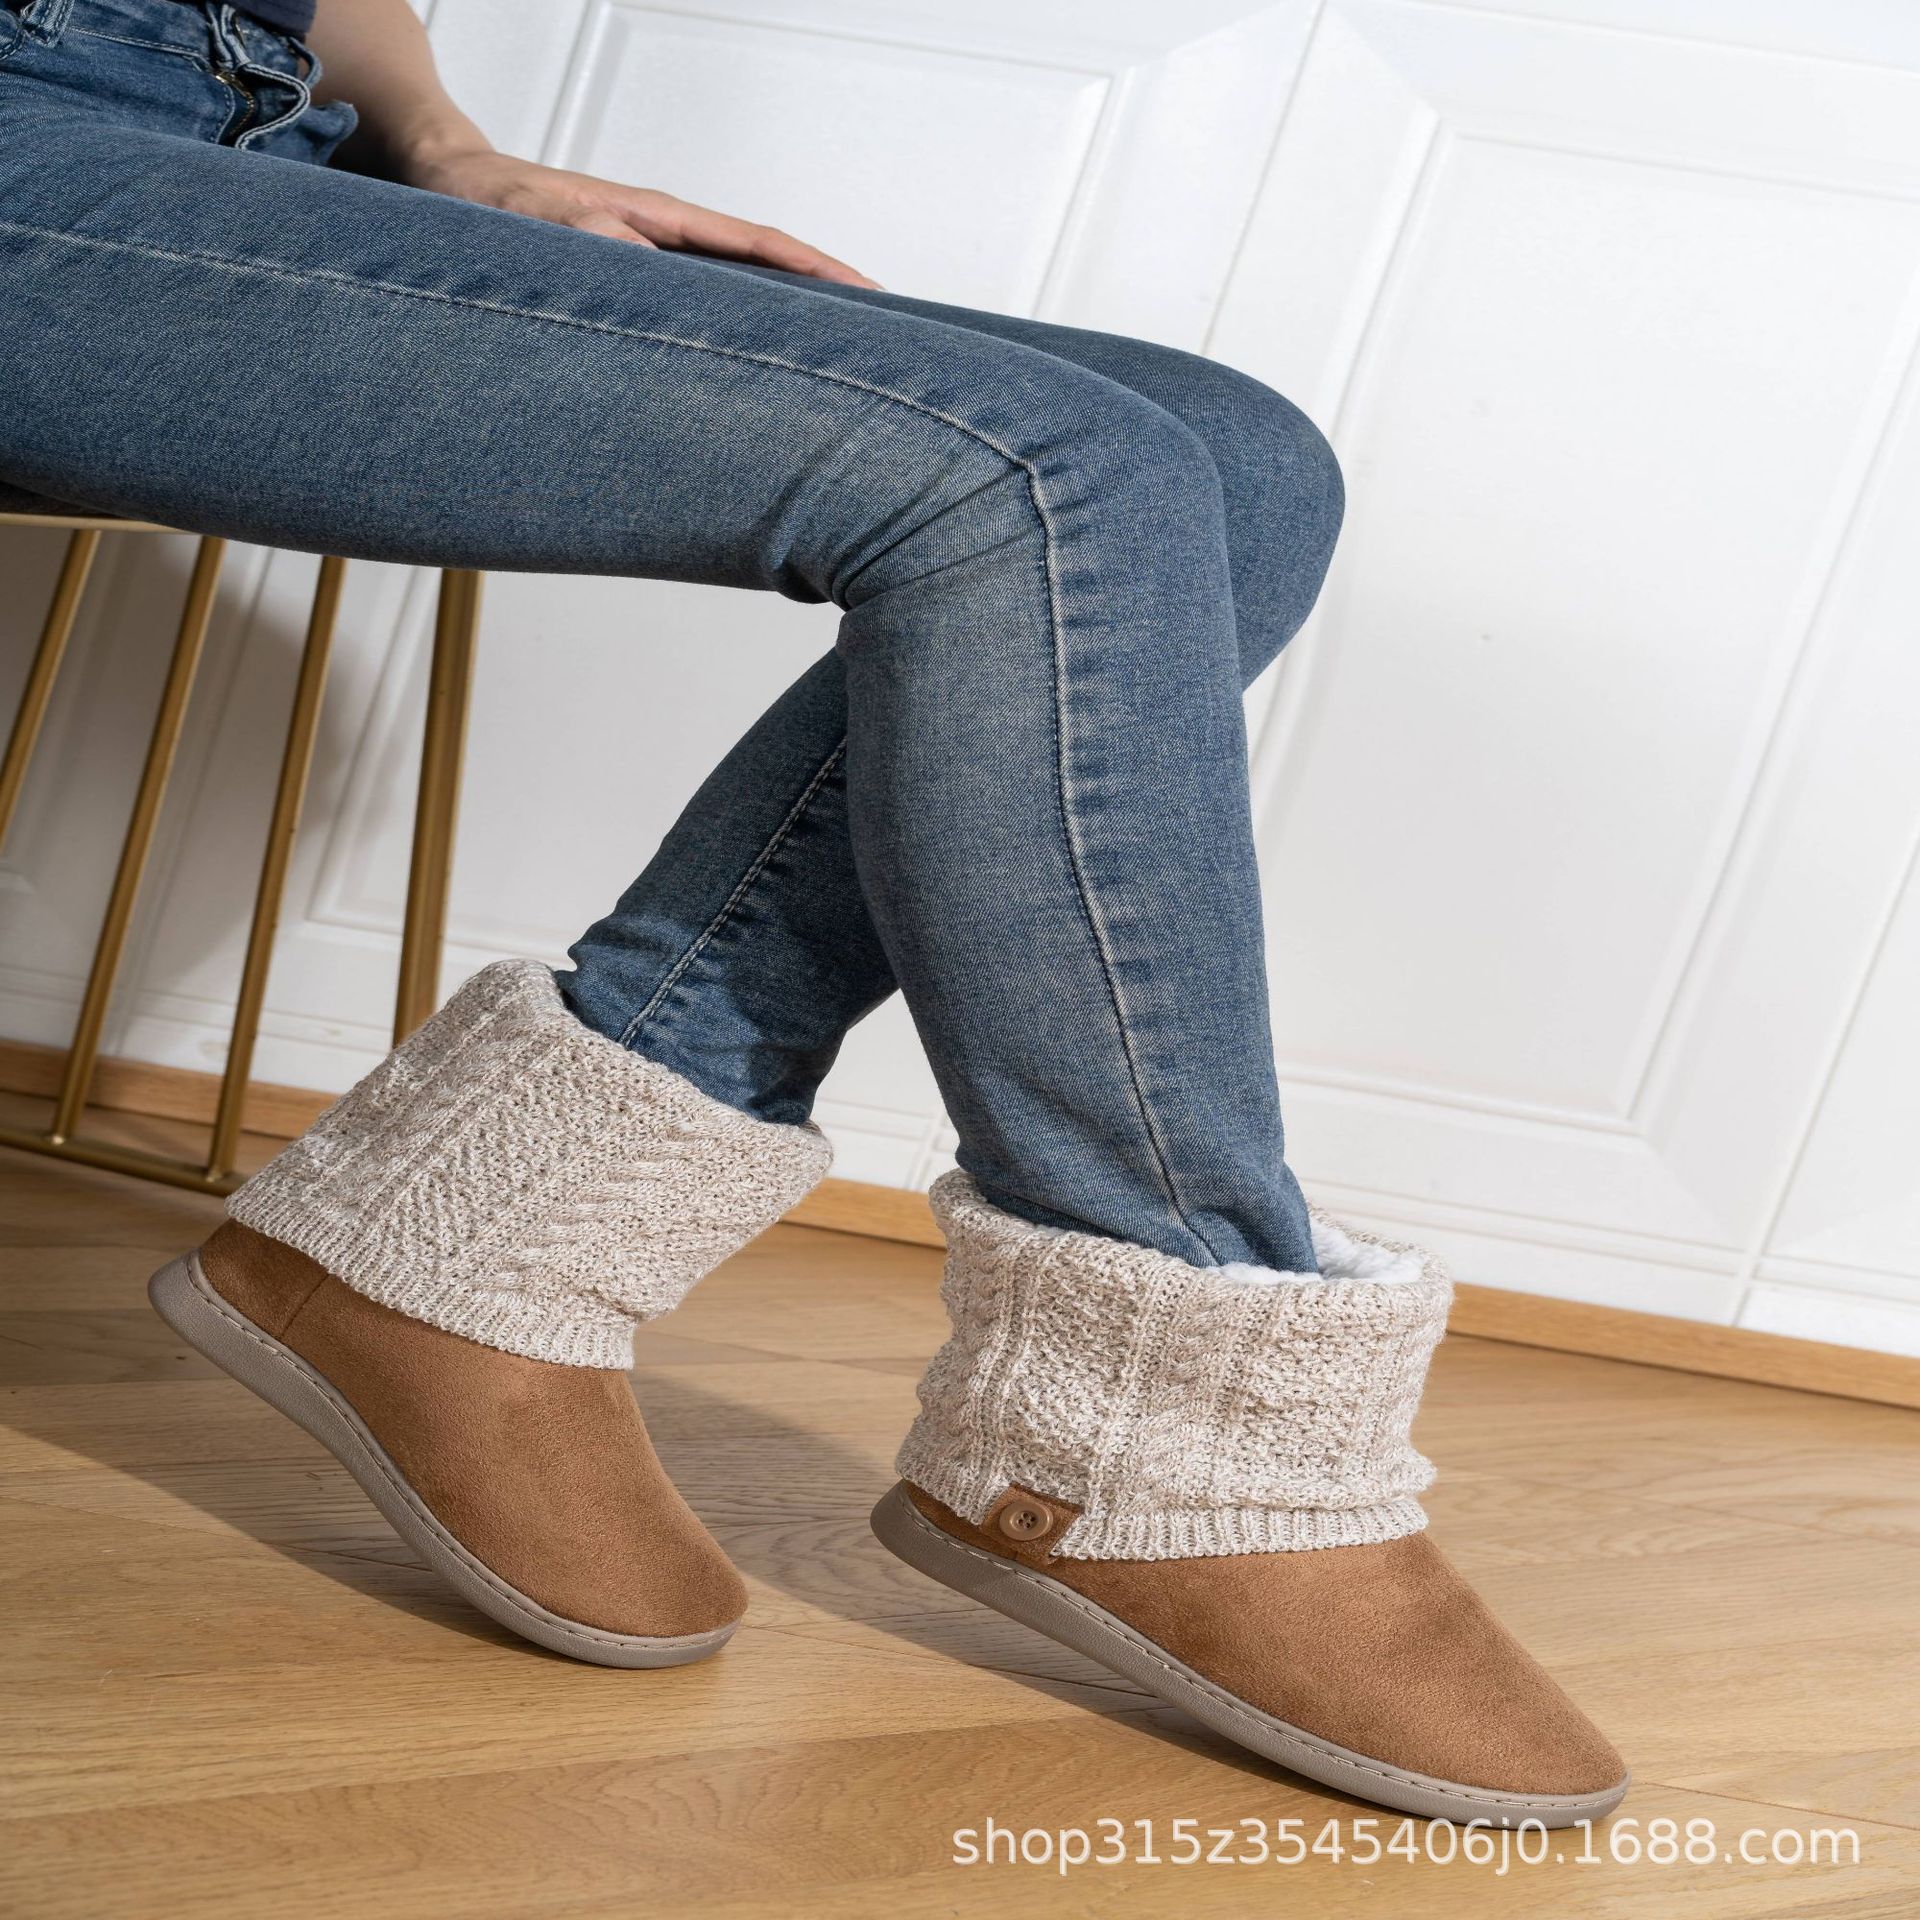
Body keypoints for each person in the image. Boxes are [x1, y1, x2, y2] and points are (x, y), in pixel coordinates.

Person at [2, 0, 1625, 1826]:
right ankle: (1176, 1447)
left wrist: (441, 144)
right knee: (1039, 481)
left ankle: (470, 1249)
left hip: (232, 131)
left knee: (1234, 457)